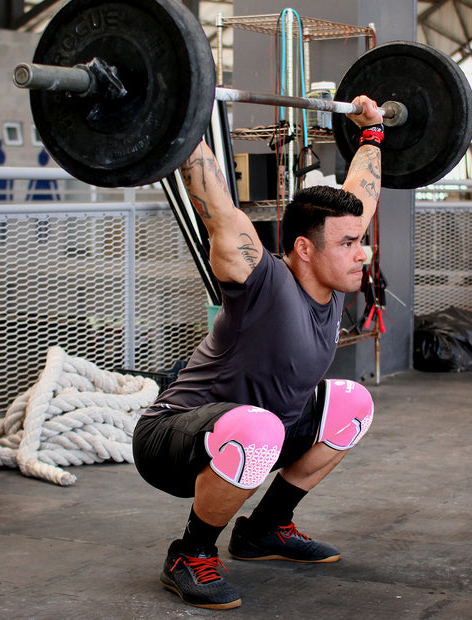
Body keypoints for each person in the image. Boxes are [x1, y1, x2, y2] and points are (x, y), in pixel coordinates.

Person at [133, 95, 383, 610]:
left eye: (363, 241)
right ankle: (190, 553)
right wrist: (175, 109)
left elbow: (360, 194)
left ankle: (265, 528)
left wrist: (373, 133)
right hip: (172, 436)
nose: (363, 253)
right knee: (258, 428)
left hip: (261, 430)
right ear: (304, 250)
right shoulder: (263, 281)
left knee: (352, 403)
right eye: (349, 244)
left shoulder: (335, 277)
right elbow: (219, 207)